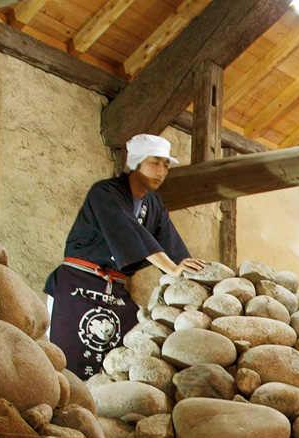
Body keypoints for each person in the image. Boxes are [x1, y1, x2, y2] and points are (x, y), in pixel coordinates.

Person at [45, 133, 207, 379]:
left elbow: (172, 247)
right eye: (154, 162)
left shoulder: (153, 204)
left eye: (166, 165)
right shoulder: (104, 192)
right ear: (135, 163)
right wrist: (172, 268)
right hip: (77, 285)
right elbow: (130, 230)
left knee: (119, 361)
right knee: (66, 360)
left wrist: (190, 277)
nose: (161, 171)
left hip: (114, 292)